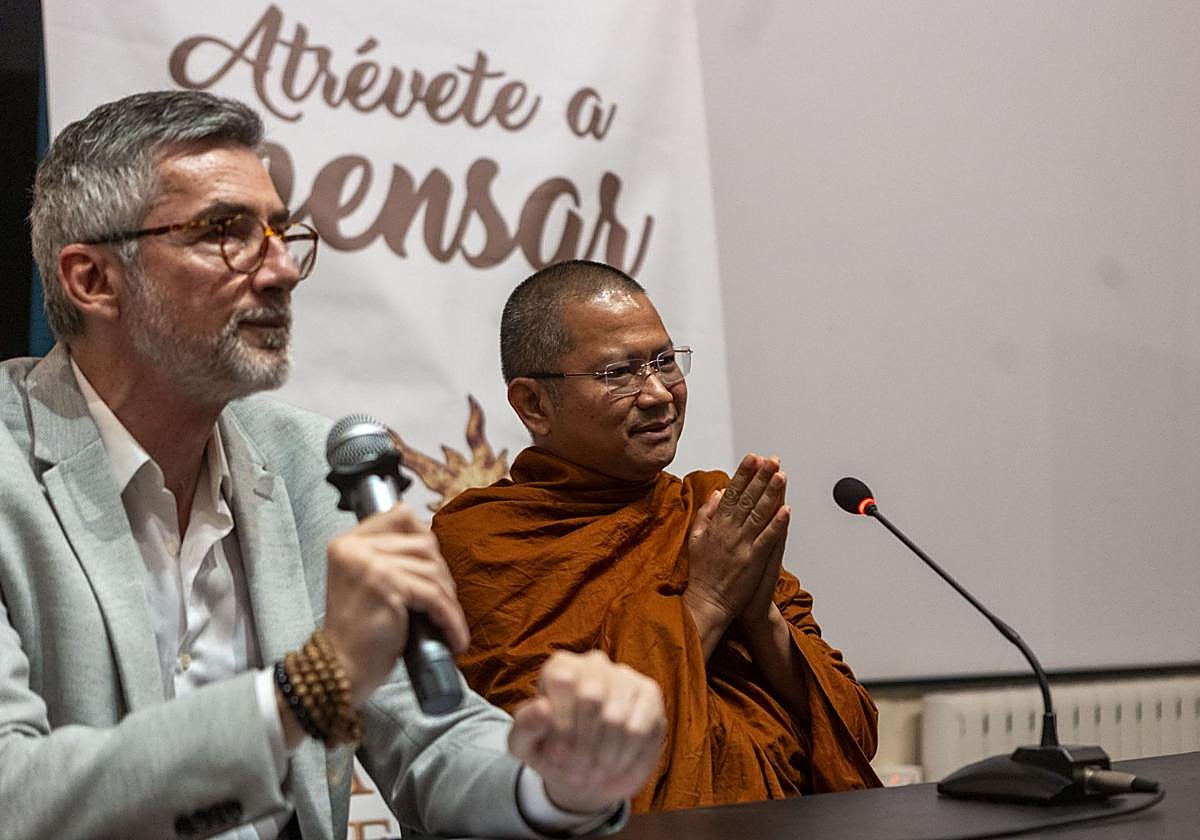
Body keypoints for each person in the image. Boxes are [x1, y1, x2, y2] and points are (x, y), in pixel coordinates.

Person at [0, 92, 666, 840]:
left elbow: (432, 736)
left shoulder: (309, 462)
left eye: (280, 234)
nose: (283, 270)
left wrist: (558, 785)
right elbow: (13, 793)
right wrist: (306, 690)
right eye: (225, 233)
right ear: (93, 280)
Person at [432, 259, 881, 812]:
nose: (659, 394)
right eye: (617, 373)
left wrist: (761, 617)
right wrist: (709, 601)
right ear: (534, 404)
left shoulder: (708, 514)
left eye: (665, 362)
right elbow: (555, 766)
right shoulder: (486, 544)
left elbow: (853, 733)